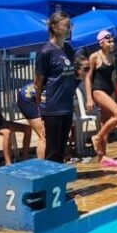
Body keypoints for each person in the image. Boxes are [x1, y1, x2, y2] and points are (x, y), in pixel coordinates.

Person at [34, 11, 77, 163]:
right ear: (54, 27)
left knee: (61, 149)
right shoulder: (46, 52)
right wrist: (40, 106)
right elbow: (38, 83)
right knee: (52, 150)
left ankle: (58, 185)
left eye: (69, 25)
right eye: (65, 25)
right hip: (52, 106)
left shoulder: (69, 50)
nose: (68, 28)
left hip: (66, 106)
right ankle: (49, 184)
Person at [84, 31, 117, 167]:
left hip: (109, 91)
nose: (112, 43)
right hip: (98, 91)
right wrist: (89, 98)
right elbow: (88, 78)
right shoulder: (94, 57)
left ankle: (103, 156)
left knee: (105, 123)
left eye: (112, 41)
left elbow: (113, 79)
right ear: (101, 43)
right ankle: (97, 137)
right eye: (109, 41)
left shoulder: (111, 57)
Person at [15, 81, 46, 160]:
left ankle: (25, 158)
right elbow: (42, 105)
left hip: (31, 95)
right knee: (44, 136)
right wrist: (43, 121)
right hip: (27, 99)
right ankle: (43, 164)